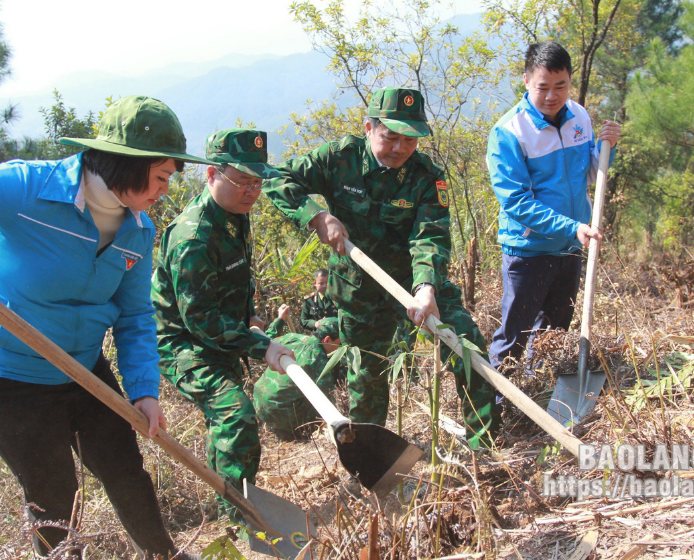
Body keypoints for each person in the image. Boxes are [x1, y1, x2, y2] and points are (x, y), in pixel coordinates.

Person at [0, 95, 206, 558]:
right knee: (55, 498)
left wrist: (144, 390)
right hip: (11, 378)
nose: (164, 191)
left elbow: (135, 316)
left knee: (124, 470)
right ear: (126, 164)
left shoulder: (139, 229)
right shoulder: (29, 187)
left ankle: (165, 555)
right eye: (160, 178)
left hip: (82, 369)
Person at [263, 87, 501, 450]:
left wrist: (426, 287)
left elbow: (430, 236)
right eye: (390, 137)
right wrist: (317, 215)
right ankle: (371, 457)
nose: (400, 149)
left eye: (410, 140)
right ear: (369, 127)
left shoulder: (426, 176)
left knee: (466, 345)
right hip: (359, 286)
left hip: (412, 284)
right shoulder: (339, 157)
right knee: (367, 372)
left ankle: (483, 446)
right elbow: (277, 178)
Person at [150, 129, 294, 524]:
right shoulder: (193, 236)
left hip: (222, 334)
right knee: (235, 417)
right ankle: (237, 522)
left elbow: (232, 284)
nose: (252, 191)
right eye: (242, 181)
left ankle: (227, 508)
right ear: (212, 174)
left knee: (225, 426)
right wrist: (260, 346)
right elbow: (200, 320)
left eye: (257, 182)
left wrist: (250, 318)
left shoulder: (234, 215)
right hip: (182, 343)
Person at [485, 41, 621, 374]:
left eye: (560, 86)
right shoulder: (508, 132)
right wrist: (571, 227)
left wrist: (607, 148)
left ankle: (539, 396)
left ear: (569, 81)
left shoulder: (579, 116)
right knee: (515, 335)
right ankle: (499, 409)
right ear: (526, 81)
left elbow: (589, 174)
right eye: (542, 87)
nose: (552, 95)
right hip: (529, 250)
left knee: (555, 332)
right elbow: (516, 202)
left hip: (571, 246)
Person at [255, 309, 344, 440]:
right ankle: (293, 431)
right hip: (279, 412)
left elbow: (267, 337)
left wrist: (280, 319)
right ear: (327, 339)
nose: (341, 347)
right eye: (339, 343)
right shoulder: (319, 360)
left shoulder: (292, 337)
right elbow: (328, 398)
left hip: (259, 402)